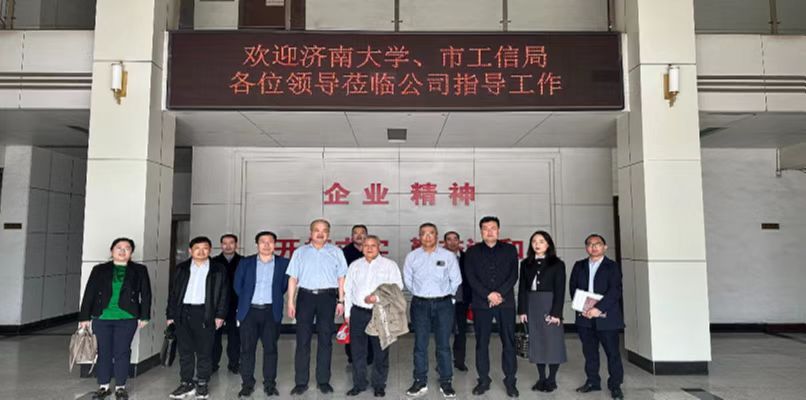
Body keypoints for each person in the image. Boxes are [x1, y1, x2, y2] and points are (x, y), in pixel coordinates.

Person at [79, 238, 151, 400]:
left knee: (122, 351)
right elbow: (89, 293)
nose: (122, 251)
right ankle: (103, 386)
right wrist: (84, 317)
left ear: (131, 252)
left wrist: (145, 316)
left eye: (127, 248)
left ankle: (120, 387)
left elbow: (146, 294)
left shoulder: (139, 270)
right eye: (119, 247)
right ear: (112, 250)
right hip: (102, 317)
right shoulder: (99, 269)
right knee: (103, 351)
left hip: (127, 317)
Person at [286, 219, 348, 395]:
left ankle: (323, 381)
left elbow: (341, 278)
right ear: (310, 232)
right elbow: (293, 278)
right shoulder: (300, 252)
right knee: (302, 340)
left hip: (327, 297)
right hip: (305, 297)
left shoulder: (336, 252)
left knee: (325, 340)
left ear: (328, 233)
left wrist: (341, 300)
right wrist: (290, 301)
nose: (320, 234)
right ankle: (301, 382)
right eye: (316, 230)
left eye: (324, 230)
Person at [403, 223, 462, 399]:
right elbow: (408, 280)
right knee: (420, 345)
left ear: (437, 236)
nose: (427, 237)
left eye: (431, 233)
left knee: (443, 345)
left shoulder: (448, 256)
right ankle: (419, 381)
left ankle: (446, 381)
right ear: (419, 236)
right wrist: (420, 293)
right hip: (420, 305)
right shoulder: (412, 256)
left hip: (443, 305)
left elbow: (456, 280)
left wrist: (448, 298)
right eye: (424, 234)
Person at [166, 236, 229, 400]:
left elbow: (224, 293)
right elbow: (173, 293)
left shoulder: (218, 269)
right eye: (197, 248)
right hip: (183, 312)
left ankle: (202, 383)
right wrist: (170, 315)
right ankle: (186, 382)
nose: (201, 252)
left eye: (205, 248)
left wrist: (220, 315)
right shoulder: (181, 268)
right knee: (185, 351)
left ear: (210, 250)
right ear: (190, 250)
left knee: (204, 350)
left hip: (205, 312)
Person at [464, 216, 520, 397]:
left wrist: (498, 294)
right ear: (481, 231)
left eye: (493, 228)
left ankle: (510, 381)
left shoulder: (510, 250)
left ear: (498, 230)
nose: (489, 231)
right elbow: (471, 277)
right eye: (485, 228)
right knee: (481, 343)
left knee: (509, 343)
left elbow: (513, 275)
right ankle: (483, 380)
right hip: (481, 303)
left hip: (506, 303)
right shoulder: (472, 252)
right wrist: (488, 294)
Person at [343, 235, 403, 397]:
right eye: (366, 245)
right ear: (362, 247)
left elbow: (397, 288)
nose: (369, 248)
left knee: (380, 351)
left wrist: (377, 298)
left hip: (381, 311)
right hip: (358, 312)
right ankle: (359, 383)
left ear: (379, 246)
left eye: (373, 245)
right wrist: (347, 314)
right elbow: (348, 290)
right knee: (357, 351)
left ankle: (379, 384)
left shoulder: (389, 265)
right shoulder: (355, 265)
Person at [234, 231, 289, 398]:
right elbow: (238, 285)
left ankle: (270, 384)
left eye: (270, 242)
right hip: (249, 311)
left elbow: (284, 286)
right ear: (257, 244)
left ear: (275, 244)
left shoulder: (283, 263)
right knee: (247, 350)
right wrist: (246, 301)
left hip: (271, 311)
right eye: (262, 242)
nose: (266, 245)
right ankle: (247, 384)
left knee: (271, 349)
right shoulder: (246, 262)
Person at [569, 234, 625, 400]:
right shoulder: (579, 266)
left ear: (604, 247)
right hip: (584, 317)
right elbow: (573, 288)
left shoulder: (612, 266)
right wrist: (583, 307)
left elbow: (615, 291)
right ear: (586, 248)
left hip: (607, 317)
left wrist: (598, 308)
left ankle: (615, 385)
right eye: (590, 244)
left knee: (612, 353)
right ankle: (593, 381)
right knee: (590, 353)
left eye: (597, 244)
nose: (593, 247)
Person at [517, 231, 567, 393]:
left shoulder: (557, 264)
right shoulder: (526, 263)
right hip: (532, 305)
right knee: (537, 342)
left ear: (548, 244)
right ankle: (541, 378)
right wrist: (522, 310)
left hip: (550, 304)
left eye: (541, 241)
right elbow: (522, 288)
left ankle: (551, 379)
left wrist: (556, 313)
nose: (537, 244)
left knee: (553, 343)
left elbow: (560, 290)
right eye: (534, 241)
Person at [342, 224, 373, 365]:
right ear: (351, 236)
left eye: (362, 233)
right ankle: (353, 357)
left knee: (372, 329)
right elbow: (340, 277)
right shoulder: (344, 253)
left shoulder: (373, 252)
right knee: (352, 330)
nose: (359, 236)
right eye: (356, 233)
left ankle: (370, 356)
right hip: (351, 298)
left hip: (371, 299)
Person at [211, 233, 242, 374]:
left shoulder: (243, 261)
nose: (228, 246)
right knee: (214, 336)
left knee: (235, 336)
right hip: (216, 305)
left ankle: (234, 363)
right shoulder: (213, 262)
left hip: (236, 304)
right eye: (225, 243)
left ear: (236, 245)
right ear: (221, 245)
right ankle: (213, 364)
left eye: (231, 243)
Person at [443, 231, 470, 372]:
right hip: (443, 301)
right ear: (444, 242)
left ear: (459, 241)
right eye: (449, 239)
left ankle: (459, 361)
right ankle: (442, 363)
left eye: (455, 239)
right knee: (443, 333)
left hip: (461, 300)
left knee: (461, 333)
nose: (452, 242)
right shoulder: (439, 257)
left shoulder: (467, 258)